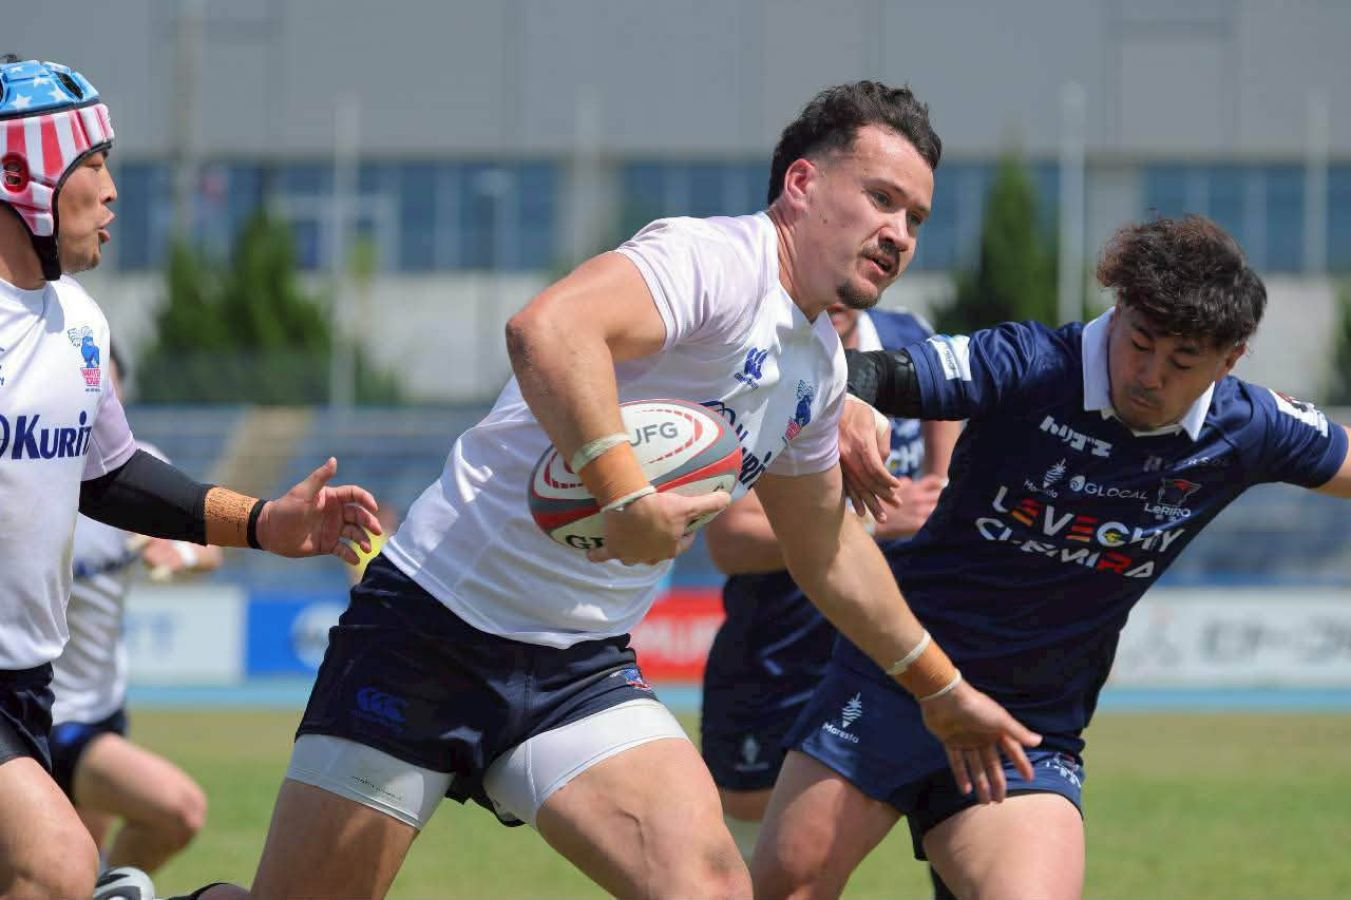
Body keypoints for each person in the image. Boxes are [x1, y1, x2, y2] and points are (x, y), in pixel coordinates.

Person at [182, 80, 1039, 900]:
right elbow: (547, 327)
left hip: (578, 669)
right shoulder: (714, 261)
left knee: (709, 887)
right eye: (881, 198)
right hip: (429, 626)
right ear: (803, 184)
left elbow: (827, 552)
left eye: (915, 218)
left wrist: (941, 690)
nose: (898, 233)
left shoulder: (816, 370)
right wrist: (625, 496)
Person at [753, 213, 1351, 900]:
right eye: (1140, 343)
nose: (1149, 376)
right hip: (896, 680)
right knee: (789, 884)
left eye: (1182, 362)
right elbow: (873, 370)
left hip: (1025, 726)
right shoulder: (1029, 362)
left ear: (1230, 359)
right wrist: (853, 401)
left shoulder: (1248, 426)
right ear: (1117, 310)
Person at [0, 56, 382, 900]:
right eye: (92, 163)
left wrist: (265, 523)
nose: (111, 191)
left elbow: (114, 475)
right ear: (20, 175)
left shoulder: (80, 325)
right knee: (56, 864)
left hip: (28, 687)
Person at [700, 301, 959, 859]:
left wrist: (941, 478)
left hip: (887, 646)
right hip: (780, 650)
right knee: (753, 844)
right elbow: (730, 541)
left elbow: (947, 401)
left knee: (959, 810)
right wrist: (877, 522)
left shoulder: (906, 333)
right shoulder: (756, 361)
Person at [49, 347, 222, 877]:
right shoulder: (29, 473)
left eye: (106, 388)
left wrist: (180, 552)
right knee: (178, 811)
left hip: (102, 708)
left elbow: (211, 549)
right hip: (40, 715)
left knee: (76, 875)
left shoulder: (136, 472)